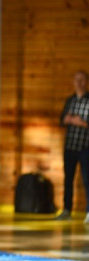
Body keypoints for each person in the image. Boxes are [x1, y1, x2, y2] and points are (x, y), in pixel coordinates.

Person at [56, 70, 89, 222]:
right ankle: (67, 210)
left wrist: (81, 123)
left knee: (87, 180)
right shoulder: (70, 100)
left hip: (85, 147)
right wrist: (67, 120)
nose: (79, 83)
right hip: (70, 146)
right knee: (68, 179)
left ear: (86, 82)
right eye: (77, 79)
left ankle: (88, 212)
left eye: (82, 80)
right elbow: (62, 120)